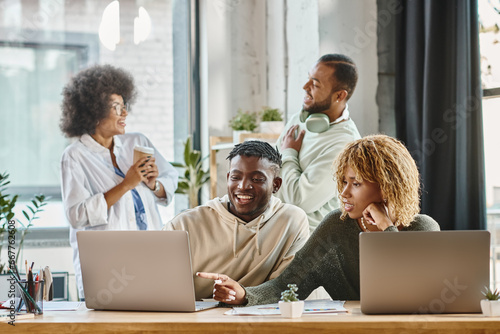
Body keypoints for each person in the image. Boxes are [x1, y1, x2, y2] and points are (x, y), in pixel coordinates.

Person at [197, 135, 440, 305]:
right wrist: (243, 294)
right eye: (344, 182)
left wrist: (387, 228)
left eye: (356, 184)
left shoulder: (421, 228)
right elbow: (288, 284)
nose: (344, 193)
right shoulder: (337, 225)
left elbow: (414, 291)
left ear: (387, 187)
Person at [59, 64, 178, 298]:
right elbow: (77, 215)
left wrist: (154, 184)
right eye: (117, 108)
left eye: (125, 107)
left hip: (148, 257)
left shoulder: (138, 142)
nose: (125, 114)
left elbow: (170, 178)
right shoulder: (75, 156)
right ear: (94, 112)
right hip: (106, 267)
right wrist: (126, 184)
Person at [164, 140, 309, 300]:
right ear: (228, 179)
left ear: (276, 184)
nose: (243, 186)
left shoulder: (292, 221)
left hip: (259, 317)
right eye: (236, 177)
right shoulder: (185, 224)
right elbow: (156, 280)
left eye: (257, 179)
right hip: (194, 317)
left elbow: (287, 287)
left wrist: (245, 296)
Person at [276, 53, 361, 231]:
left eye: (315, 84)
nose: (305, 87)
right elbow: (269, 169)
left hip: (305, 237)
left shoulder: (346, 144)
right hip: (275, 222)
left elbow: (299, 201)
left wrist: (288, 153)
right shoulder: (298, 120)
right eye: (308, 79)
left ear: (339, 95)